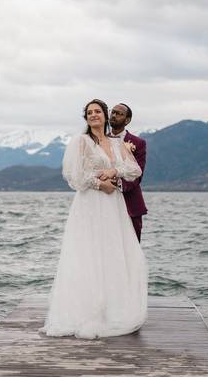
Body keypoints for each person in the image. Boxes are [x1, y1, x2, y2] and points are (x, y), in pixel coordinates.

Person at [41, 99, 148, 339]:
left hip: (114, 207)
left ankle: (113, 310)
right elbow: (73, 176)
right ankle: (85, 311)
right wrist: (100, 184)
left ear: (105, 115)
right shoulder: (81, 142)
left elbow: (135, 170)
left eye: (97, 111)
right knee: (87, 255)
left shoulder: (115, 142)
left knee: (113, 253)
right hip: (90, 203)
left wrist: (114, 171)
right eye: (89, 113)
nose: (93, 115)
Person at [104, 103, 147, 242]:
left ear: (127, 120)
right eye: (113, 112)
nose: (114, 115)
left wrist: (119, 183)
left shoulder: (138, 143)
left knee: (132, 246)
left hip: (131, 204)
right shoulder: (100, 140)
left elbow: (137, 175)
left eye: (119, 114)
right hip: (104, 202)